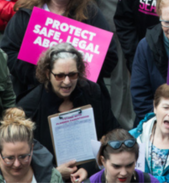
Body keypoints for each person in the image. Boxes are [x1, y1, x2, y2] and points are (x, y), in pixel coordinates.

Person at [2, 0, 118, 96]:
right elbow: (9, 53)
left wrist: (74, 79)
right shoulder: (28, 12)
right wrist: (44, 76)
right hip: (34, 93)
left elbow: (110, 55)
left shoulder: (89, 12)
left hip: (80, 95)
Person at [19, 43, 117, 181]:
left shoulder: (93, 93)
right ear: (48, 74)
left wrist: (89, 168)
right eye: (60, 76)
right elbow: (20, 158)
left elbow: (112, 133)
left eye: (73, 74)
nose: (67, 82)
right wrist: (54, 172)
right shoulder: (29, 107)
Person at [0, 108, 62, 183]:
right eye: (9, 158)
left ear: (32, 149)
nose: (17, 164)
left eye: (23, 157)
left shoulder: (52, 177)